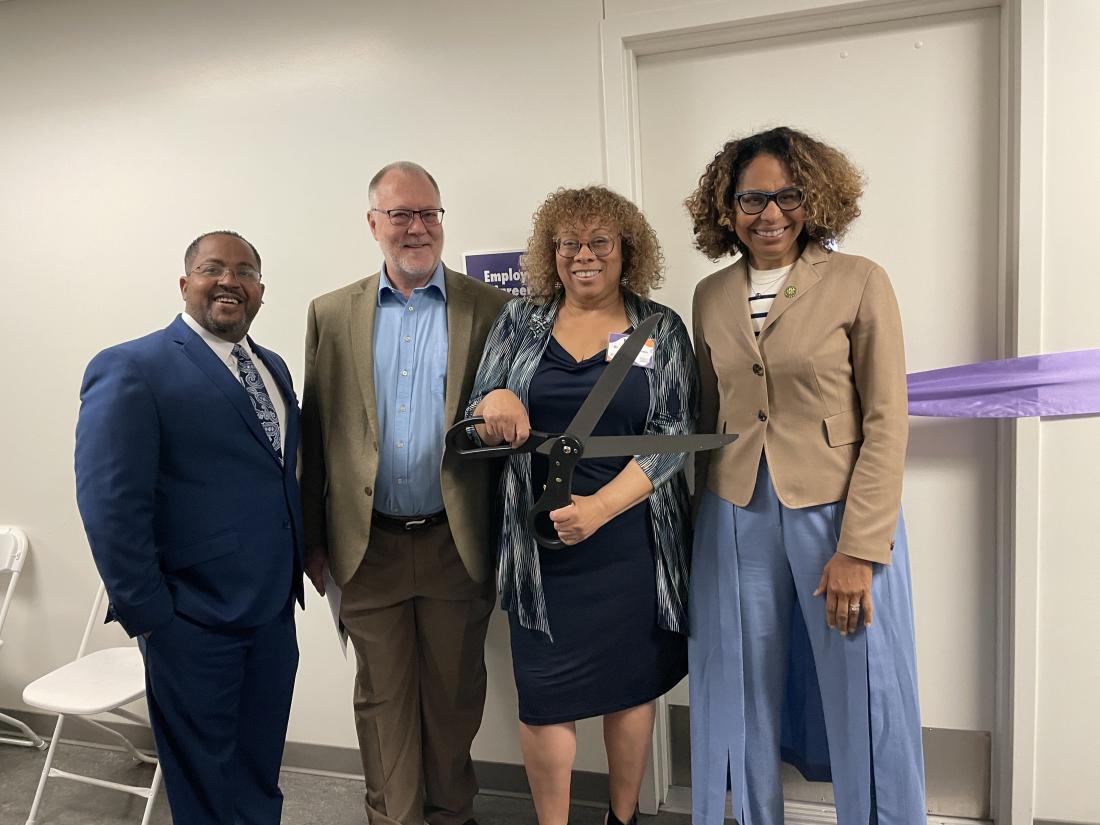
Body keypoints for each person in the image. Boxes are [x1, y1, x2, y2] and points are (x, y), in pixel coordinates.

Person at [684, 126, 925, 824]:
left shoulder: (859, 281)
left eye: (787, 195)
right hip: (733, 511)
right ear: (726, 208)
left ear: (814, 198)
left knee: (865, 690)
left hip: (838, 518)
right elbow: (708, 412)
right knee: (741, 689)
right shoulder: (710, 294)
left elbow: (886, 420)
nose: (770, 213)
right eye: (751, 198)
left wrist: (861, 546)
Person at [464, 186, 696, 825]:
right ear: (551, 252)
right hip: (538, 549)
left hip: (629, 540)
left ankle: (622, 818)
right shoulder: (521, 321)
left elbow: (674, 436)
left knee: (630, 689)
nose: (583, 256)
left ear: (626, 250)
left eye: (599, 242)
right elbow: (478, 412)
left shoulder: (660, 327)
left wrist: (599, 509)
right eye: (569, 243)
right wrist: (496, 404)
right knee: (544, 696)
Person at [300, 161, 508, 825]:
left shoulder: (493, 309)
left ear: (442, 221)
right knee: (383, 701)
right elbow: (317, 428)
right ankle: (393, 816)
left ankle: (452, 814)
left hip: (457, 542)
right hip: (369, 545)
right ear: (374, 224)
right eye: (401, 215)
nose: (417, 227)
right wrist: (311, 539)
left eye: (429, 214)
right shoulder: (332, 314)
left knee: (453, 697)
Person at [74, 231, 304, 824]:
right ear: (185, 283)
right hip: (192, 620)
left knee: (257, 771)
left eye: (246, 272)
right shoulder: (132, 367)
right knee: (204, 787)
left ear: (260, 291)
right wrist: (154, 617)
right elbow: (110, 505)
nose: (230, 280)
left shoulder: (272, 367)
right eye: (213, 269)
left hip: (273, 612)